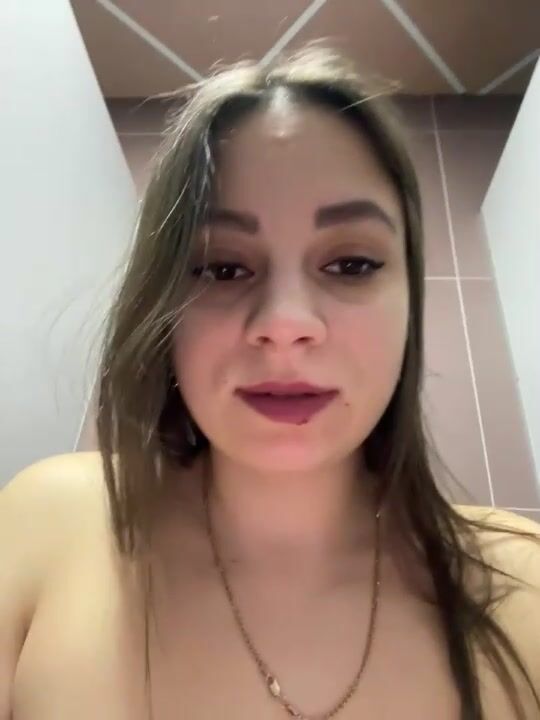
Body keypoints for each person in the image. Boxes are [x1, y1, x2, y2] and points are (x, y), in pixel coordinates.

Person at [1, 44, 539, 720]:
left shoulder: (522, 590)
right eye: (224, 268)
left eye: (350, 263)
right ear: (163, 305)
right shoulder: (46, 524)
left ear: (410, 297)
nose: (285, 325)